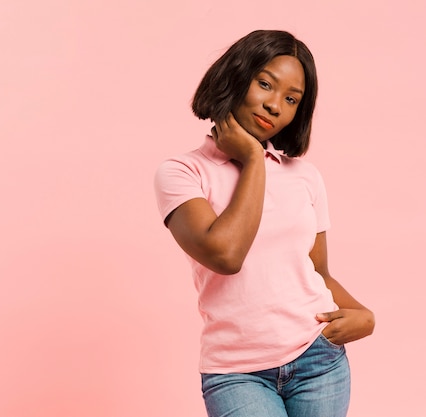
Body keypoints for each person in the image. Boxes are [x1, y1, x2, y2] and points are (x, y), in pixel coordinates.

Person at [153, 30, 375, 417]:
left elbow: (317, 271)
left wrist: (363, 315)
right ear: (236, 76)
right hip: (237, 372)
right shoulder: (182, 173)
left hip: (318, 360)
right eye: (265, 84)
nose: (275, 106)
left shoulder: (305, 176)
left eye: (291, 99)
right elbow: (226, 255)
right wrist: (254, 160)